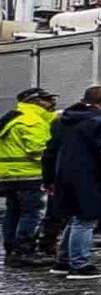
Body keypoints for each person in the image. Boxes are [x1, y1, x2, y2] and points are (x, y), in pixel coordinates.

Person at [42, 85, 101, 280]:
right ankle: (79, 265)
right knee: (86, 220)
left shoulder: (61, 121)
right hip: (92, 177)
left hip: (64, 176)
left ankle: (63, 262)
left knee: (74, 218)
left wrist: (48, 178)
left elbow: (49, 151)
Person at [0, 88, 56, 265]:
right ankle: (24, 251)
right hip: (29, 175)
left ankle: (12, 249)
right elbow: (37, 149)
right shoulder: (33, 120)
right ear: (37, 101)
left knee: (12, 213)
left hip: (7, 175)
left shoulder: (12, 116)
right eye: (48, 100)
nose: (51, 103)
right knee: (33, 213)